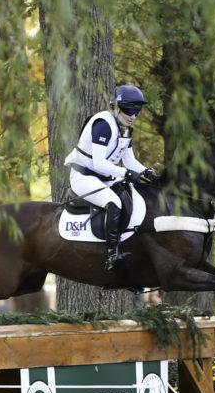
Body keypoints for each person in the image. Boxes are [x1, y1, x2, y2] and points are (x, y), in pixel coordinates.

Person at [64, 84, 157, 270]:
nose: (133, 116)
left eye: (137, 111)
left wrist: (146, 171)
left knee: (138, 195)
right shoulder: (103, 125)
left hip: (105, 177)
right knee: (113, 202)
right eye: (129, 110)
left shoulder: (126, 130)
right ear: (116, 107)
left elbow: (130, 161)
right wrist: (126, 173)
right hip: (84, 176)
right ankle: (111, 252)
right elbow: (98, 163)